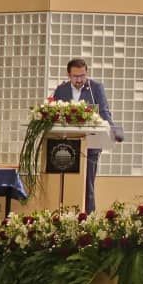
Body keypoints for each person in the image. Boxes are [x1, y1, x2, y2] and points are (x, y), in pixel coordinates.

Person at [52, 58, 114, 212]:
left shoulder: (96, 88)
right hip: (65, 146)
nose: (79, 80)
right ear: (68, 75)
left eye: (82, 76)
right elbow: (54, 115)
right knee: (63, 184)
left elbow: (104, 111)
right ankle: (62, 216)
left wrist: (111, 130)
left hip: (91, 144)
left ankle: (88, 218)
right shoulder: (61, 90)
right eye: (75, 76)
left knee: (88, 185)